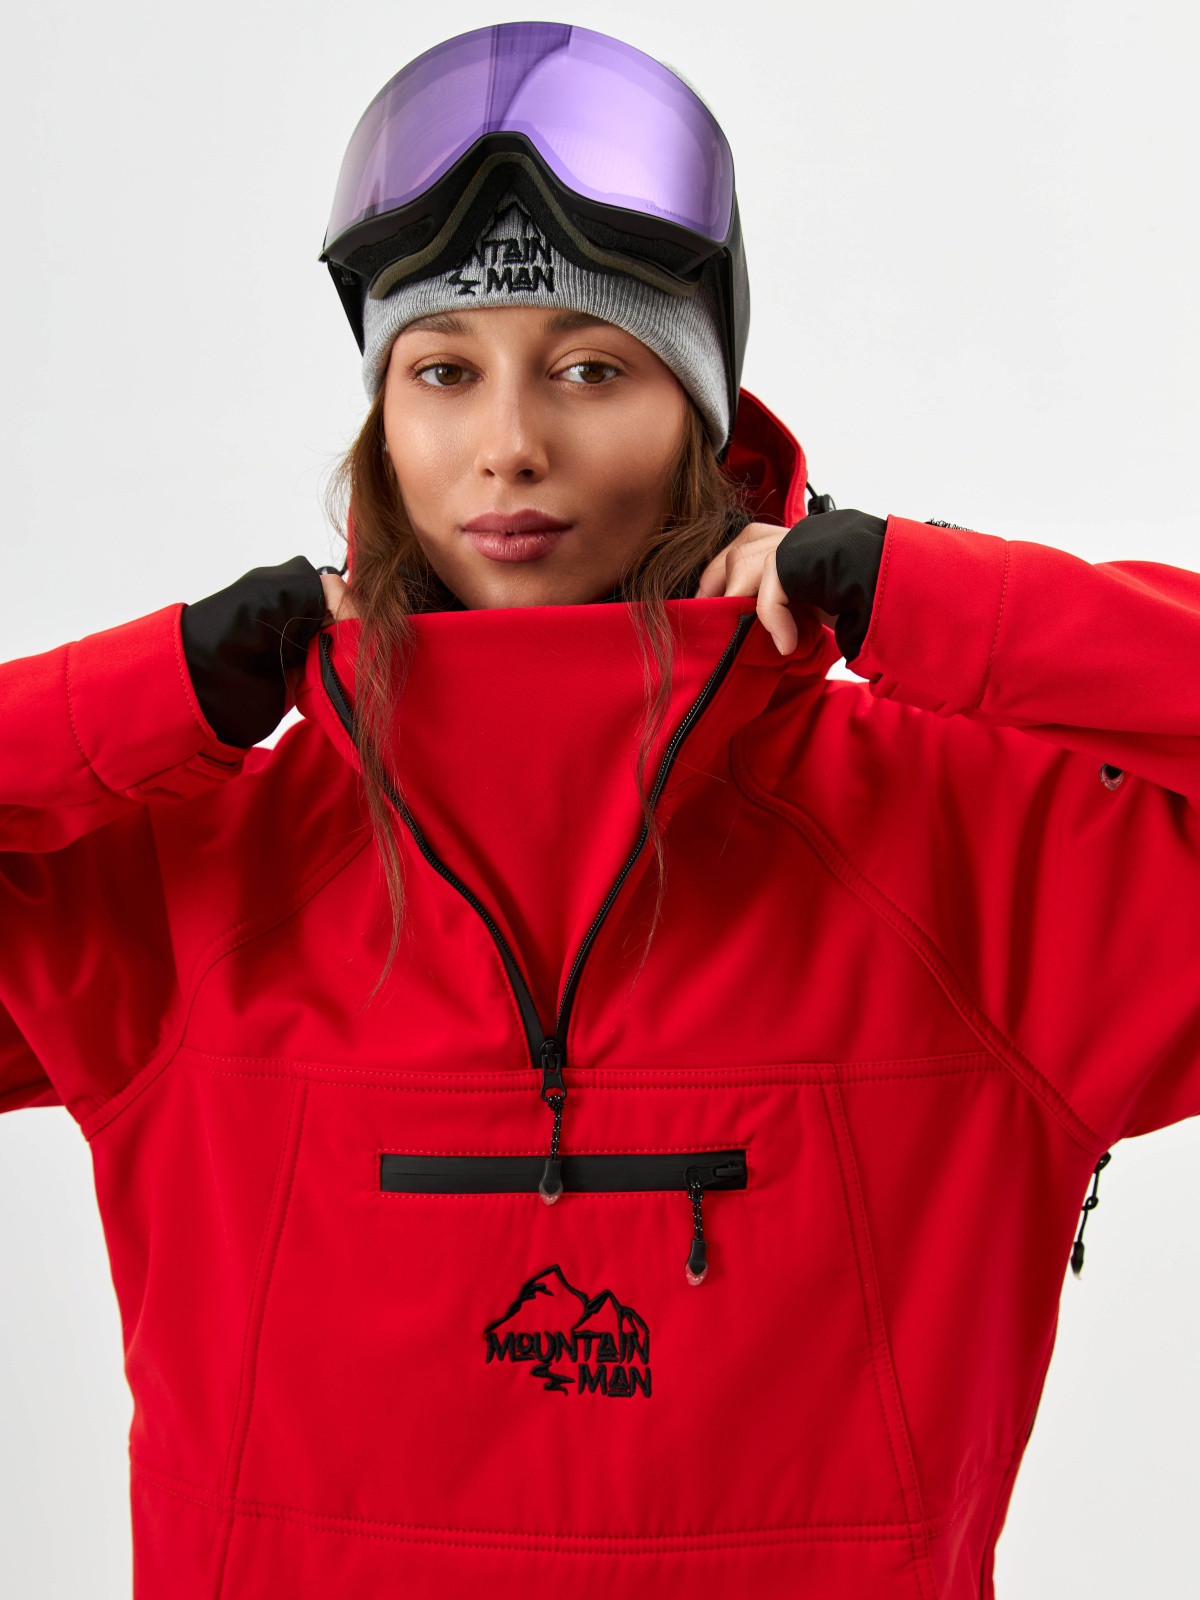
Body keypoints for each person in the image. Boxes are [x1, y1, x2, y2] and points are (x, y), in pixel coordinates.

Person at [2, 19, 1197, 1599]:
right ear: (383, 427)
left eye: (592, 368)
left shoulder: (973, 856)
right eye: (443, 372)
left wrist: (928, 600)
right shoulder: (188, 874)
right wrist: (158, 691)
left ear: (702, 421)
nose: (510, 446)